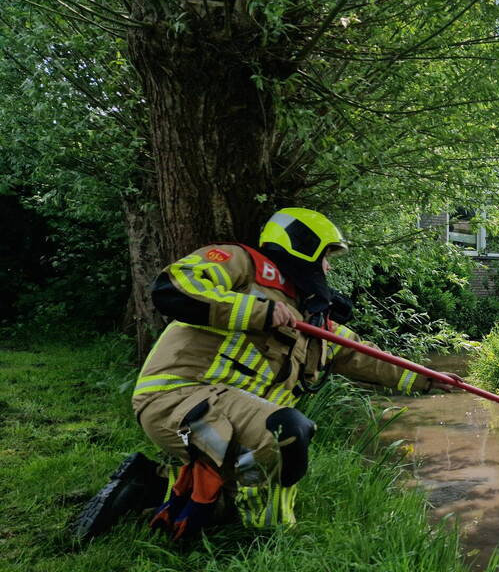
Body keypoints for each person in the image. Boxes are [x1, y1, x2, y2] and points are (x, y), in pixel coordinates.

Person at [73, 207, 457, 540]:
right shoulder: (240, 264)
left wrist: (426, 377)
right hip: (179, 398)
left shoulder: (314, 316)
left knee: (224, 503)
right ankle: (269, 537)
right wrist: (259, 312)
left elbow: (365, 357)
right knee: (288, 430)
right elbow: (175, 285)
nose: (327, 268)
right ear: (302, 245)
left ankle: (149, 485)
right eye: (326, 257)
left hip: (231, 414)